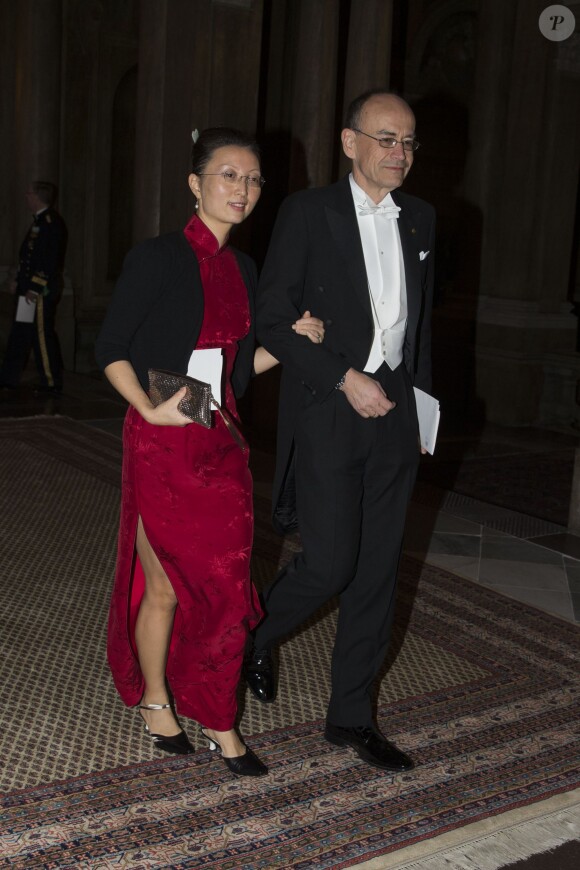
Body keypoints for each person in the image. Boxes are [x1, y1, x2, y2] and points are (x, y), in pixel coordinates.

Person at [95, 127, 325, 778]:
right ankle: (163, 702)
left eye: (252, 180)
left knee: (224, 585)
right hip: (164, 437)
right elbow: (109, 347)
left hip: (219, 433)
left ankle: (216, 709)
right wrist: (145, 406)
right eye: (229, 175)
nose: (243, 190)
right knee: (166, 586)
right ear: (195, 184)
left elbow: (236, 373)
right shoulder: (157, 257)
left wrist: (291, 341)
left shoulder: (244, 268)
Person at [244, 91, 436, 772]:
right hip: (330, 409)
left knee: (377, 575)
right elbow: (270, 320)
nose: (400, 154)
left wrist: (423, 412)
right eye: (386, 139)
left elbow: (421, 327)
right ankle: (252, 637)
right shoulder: (307, 213)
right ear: (350, 142)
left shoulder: (422, 219)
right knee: (330, 563)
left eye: (409, 141)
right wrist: (342, 376)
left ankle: (351, 719)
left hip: (396, 418)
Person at [0, 181, 67, 393]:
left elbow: (48, 261)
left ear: (37, 196)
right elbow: (28, 257)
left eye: (29, 193)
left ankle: (51, 382)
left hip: (38, 292)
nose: (26, 197)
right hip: (27, 289)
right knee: (20, 333)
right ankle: (8, 378)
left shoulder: (50, 222)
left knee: (41, 335)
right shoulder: (39, 221)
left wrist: (34, 288)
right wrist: (17, 280)